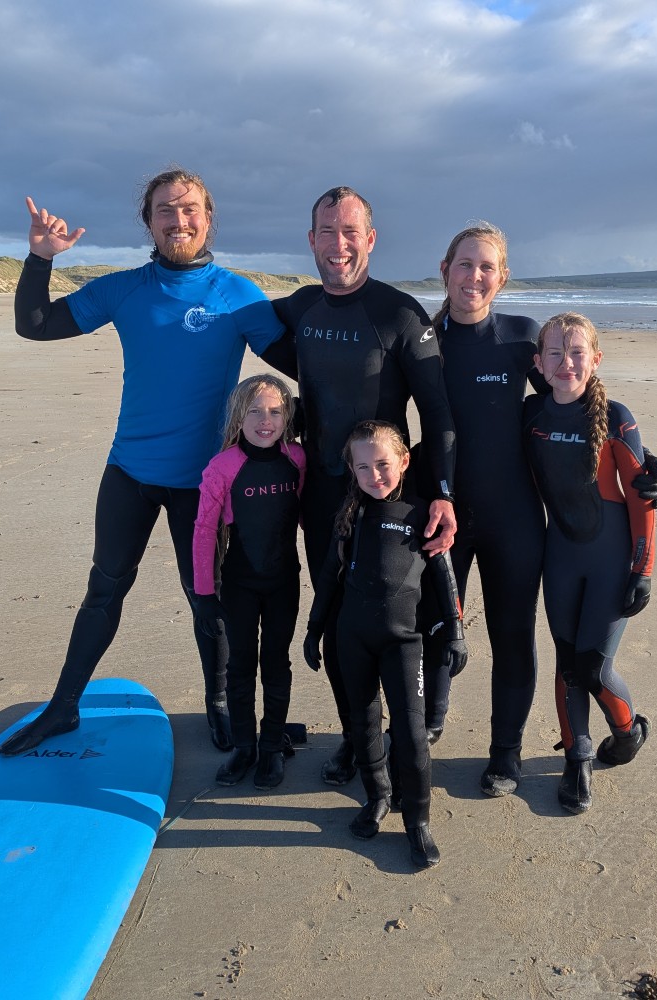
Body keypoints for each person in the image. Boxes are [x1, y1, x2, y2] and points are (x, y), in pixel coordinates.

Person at [0, 167, 285, 757]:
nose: (178, 220)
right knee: (104, 591)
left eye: (189, 210)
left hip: (204, 486)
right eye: (164, 210)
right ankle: (63, 707)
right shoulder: (124, 289)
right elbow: (34, 326)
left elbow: (304, 364)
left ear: (208, 218)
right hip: (128, 474)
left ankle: (221, 704)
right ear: (148, 221)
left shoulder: (238, 296)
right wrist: (39, 259)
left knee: (207, 599)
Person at [417, 224, 657, 797]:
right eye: (464, 264)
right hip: (445, 510)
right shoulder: (422, 342)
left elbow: (574, 398)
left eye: (487, 267)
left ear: (502, 277)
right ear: (445, 269)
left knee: (511, 638)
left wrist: (643, 462)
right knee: (436, 629)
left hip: (515, 520)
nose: (474, 277)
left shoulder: (520, 338)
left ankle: (505, 754)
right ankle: (431, 723)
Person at [264, 187, 458, 787]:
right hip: (321, 498)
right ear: (312, 239)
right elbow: (231, 323)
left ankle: (412, 735)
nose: (339, 243)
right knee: (341, 621)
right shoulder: (298, 310)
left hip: (388, 497)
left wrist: (442, 492)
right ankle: (357, 738)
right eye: (328, 230)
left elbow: (440, 416)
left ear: (370, 239)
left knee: (398, 620)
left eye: (351, 231)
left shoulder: (401, 315)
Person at [303, 421, 467, 869]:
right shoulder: (349, 518)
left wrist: (455, 631)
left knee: (412, 734)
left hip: (403, 643)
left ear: (404, 462)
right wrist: (315, 629)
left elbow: (443, 576)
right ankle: (378, 798)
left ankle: (418, 821)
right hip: (352, 639)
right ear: (351, 471)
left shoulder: (423, 516)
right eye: (363, 467)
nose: (375, 475)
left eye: (383, 464)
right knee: (364, 724)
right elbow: (328, 581)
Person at [521, 312, 655, 813]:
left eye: (577, 353)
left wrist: (643, 569)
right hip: (560, 557)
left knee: (594, 668)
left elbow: (642, 499)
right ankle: (577, 757)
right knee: (568, 664)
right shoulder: (532, 416)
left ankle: (627, 730)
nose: (565, 362)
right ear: (539, 362)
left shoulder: (616, 415)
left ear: (595, 360)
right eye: (554, 353)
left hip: (612, 559)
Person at [192, 374, 305, 790]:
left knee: (277, 664)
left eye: (276, 411)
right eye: (255, 411)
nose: (265, 420)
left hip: (283, 582)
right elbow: (204, 529)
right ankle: (245, 746)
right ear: (238, 415)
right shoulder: (223, 466)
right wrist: (204, 593)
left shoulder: (297, 459)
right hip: (238, 584)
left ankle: (272, 746)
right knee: (239, 665)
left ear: (287, 416)